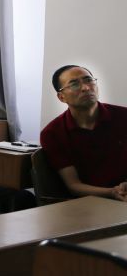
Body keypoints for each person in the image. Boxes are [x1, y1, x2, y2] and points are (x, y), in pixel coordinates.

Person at [40, 66, 127, 200]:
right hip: (86, 203)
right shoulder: (53, 133)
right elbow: (74, 185)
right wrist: (112, 192)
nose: (86, 88)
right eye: (74, 84)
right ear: (61, 97)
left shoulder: (123, 116)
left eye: (89, 80)